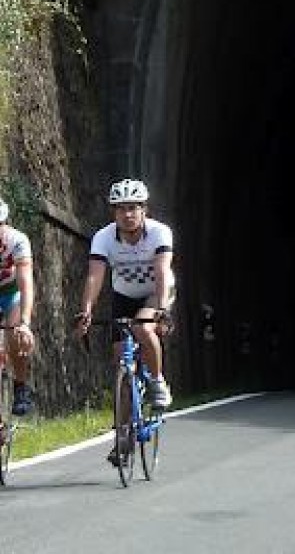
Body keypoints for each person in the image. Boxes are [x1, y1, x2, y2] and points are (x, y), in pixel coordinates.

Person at [74, 178, 175, 463]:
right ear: (113, 213)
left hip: (156, 294)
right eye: (120, 209)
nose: (127, 214)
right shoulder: (103, 237)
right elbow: (95, 276)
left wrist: (163, 309)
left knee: (143, 327)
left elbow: (163, 271)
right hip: (124, 296)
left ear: (144, 209)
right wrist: (86, 311)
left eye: (132, 208)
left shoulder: (159, 233)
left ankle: (157, 382)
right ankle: (122, 439)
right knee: (123, 367)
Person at [0, 197, 35, 416]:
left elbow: (25, 283)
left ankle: (20, 386)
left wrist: (25, 322)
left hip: (12, 293)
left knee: (15, 335)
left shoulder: (17, 240)